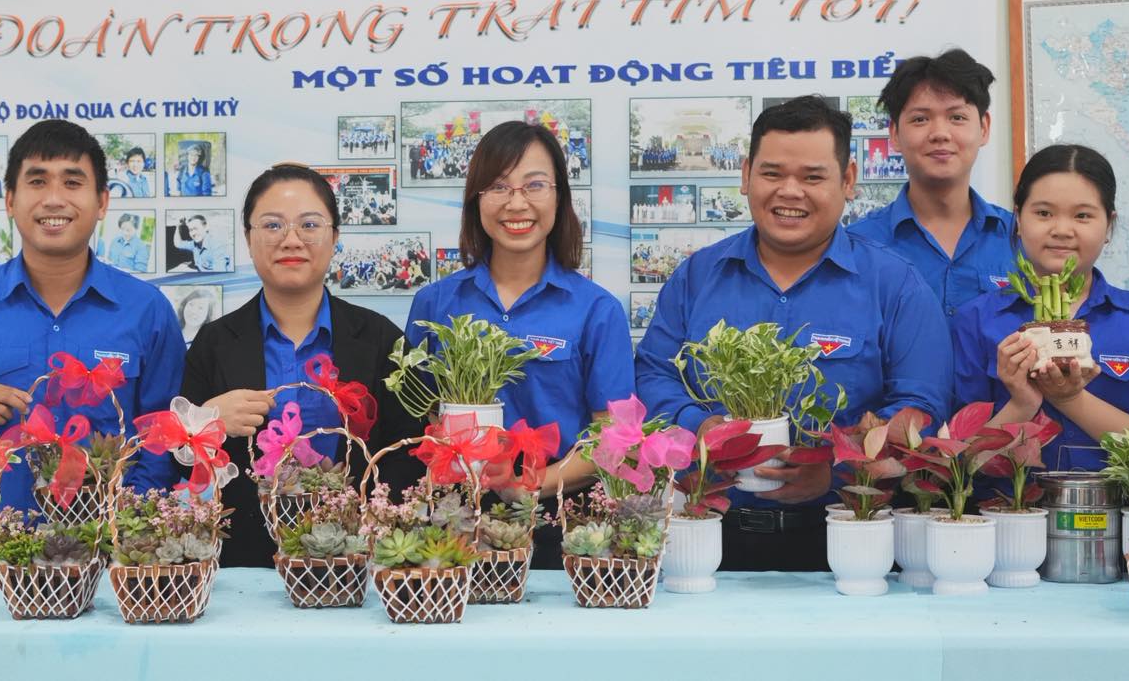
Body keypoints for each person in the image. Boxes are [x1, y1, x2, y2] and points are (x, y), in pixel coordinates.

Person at [634, 96, 950, 572]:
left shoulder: (894, 284)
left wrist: (838, 466)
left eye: (812, 177)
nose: (789, 191)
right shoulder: (697, 277)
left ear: (848, 180)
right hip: (708, 542)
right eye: (772, 173)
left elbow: (921, 405)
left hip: (850, 543)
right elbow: (653, 376)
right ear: (746, 175)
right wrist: (701, 428)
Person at [0, 120, 186, 518]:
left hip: (108, 546)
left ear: (102, 202)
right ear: (10, 200)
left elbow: (164, 436)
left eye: (72, 183)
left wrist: (125, 518)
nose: (54, 199)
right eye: (37, 182)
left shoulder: (146, 309)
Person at [405, 120, 635, 569]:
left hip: (561, 524)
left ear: (559, 197)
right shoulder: (435, 303)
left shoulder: (596, 309)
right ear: (476, 200)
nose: (516, 203)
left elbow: (613, 439)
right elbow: (422, 413)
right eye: (498, 186)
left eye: (534, 185)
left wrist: (529, 485)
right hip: (456, 520)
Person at [180, 163, 424, 567]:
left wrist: (366, 517)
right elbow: (174, 455)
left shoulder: (380, 339)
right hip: (243, 564)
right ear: (249, 239)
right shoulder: (215, 343)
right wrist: (205, 421)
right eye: (272, 226)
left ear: (335, 237)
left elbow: (411, 448)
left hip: (357, 561)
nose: (291, 240)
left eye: (309, 225)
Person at [952, 144, 1129, 473]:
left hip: (1116, 504)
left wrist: (1070, 398)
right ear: (1018, 219)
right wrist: (1021, 403)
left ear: (1109, 225)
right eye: (1044, 213)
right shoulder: (975, 320)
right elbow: (960, 463)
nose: (1061, 230)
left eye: (1082, 215)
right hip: (1004, 503)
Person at [848, 49, 1017, 316]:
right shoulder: (857, 244)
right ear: (895, 134)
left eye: (957, 117)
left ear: (984, 128)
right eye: (920, 119)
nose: (940, 134)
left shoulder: (1019, 239)